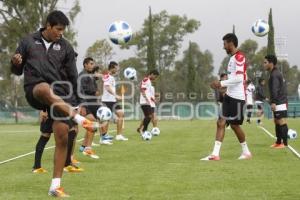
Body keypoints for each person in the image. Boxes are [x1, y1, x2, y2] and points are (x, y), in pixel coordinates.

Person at [11, 10, 95, 197]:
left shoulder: (65, 47)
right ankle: (80, 119)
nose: (60, 33)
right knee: (42, 88)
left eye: (63, 30)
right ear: (48, 25)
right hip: (35, 91)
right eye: (58, 29)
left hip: (60, 96)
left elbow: (73, 77)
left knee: (62, 135)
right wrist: (15, 63)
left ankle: (55, 186)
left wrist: (78, 102)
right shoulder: (27, 41)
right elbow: (16, 71)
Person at [202, 33, 252, 160]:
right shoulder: (232, 58)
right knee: (220, 122)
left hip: (238, 98)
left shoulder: (239, 57)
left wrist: (221, 83)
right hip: (229, 96)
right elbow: (234, 79)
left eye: (224, 44)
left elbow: (239, 78)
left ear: (231, 43)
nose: (223, 47)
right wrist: (224, 87)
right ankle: (215, 154)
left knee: (235, 125)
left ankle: (246, 152)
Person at [263, 55, 289, 148]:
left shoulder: (274, 74)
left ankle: (284, 143)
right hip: (279, 100)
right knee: (276, 121)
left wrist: (273, 102)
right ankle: (278, 142)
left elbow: (275, 89)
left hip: (280, 101)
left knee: (281, 121)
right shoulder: (274, 73)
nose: (264, 64)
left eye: (265, 62)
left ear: (271, 63)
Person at [78, 57, 100, 158]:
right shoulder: (82, 75)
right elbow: (80, 91)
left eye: (93, 64)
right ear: (85, 64)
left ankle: (84, 146)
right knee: (92, 124)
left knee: (93, 125)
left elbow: (93, 88)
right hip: (85, 104)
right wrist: (82, 106)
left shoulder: (90, 75)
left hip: (92, 103)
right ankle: (88, 149)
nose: (92, 65)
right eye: (91, 64)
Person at [101, 61, 128, 143]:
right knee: (106, 119)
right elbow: (107, 88)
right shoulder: (107, 76)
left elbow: (111, 88)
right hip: (106, 101)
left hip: (113, 101)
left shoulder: (112, 77)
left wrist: (116, 96)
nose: (117, 69)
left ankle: (119, 135)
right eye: (116, 68)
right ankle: (103, 138)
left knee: (121, 114)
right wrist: (116, 95)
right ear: (112, 68)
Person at [137, 70, 160, 137]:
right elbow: (142, 89)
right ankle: (143, 130)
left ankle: (143, 130)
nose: (155, 78)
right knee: (149, 116)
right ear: (152, 74)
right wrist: (146, 98)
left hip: (147, 102)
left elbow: (149, 94)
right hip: (145, 102)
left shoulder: (149, 82)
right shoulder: (146, 79)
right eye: (155, 76)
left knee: (148, 116)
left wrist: (153, 100)